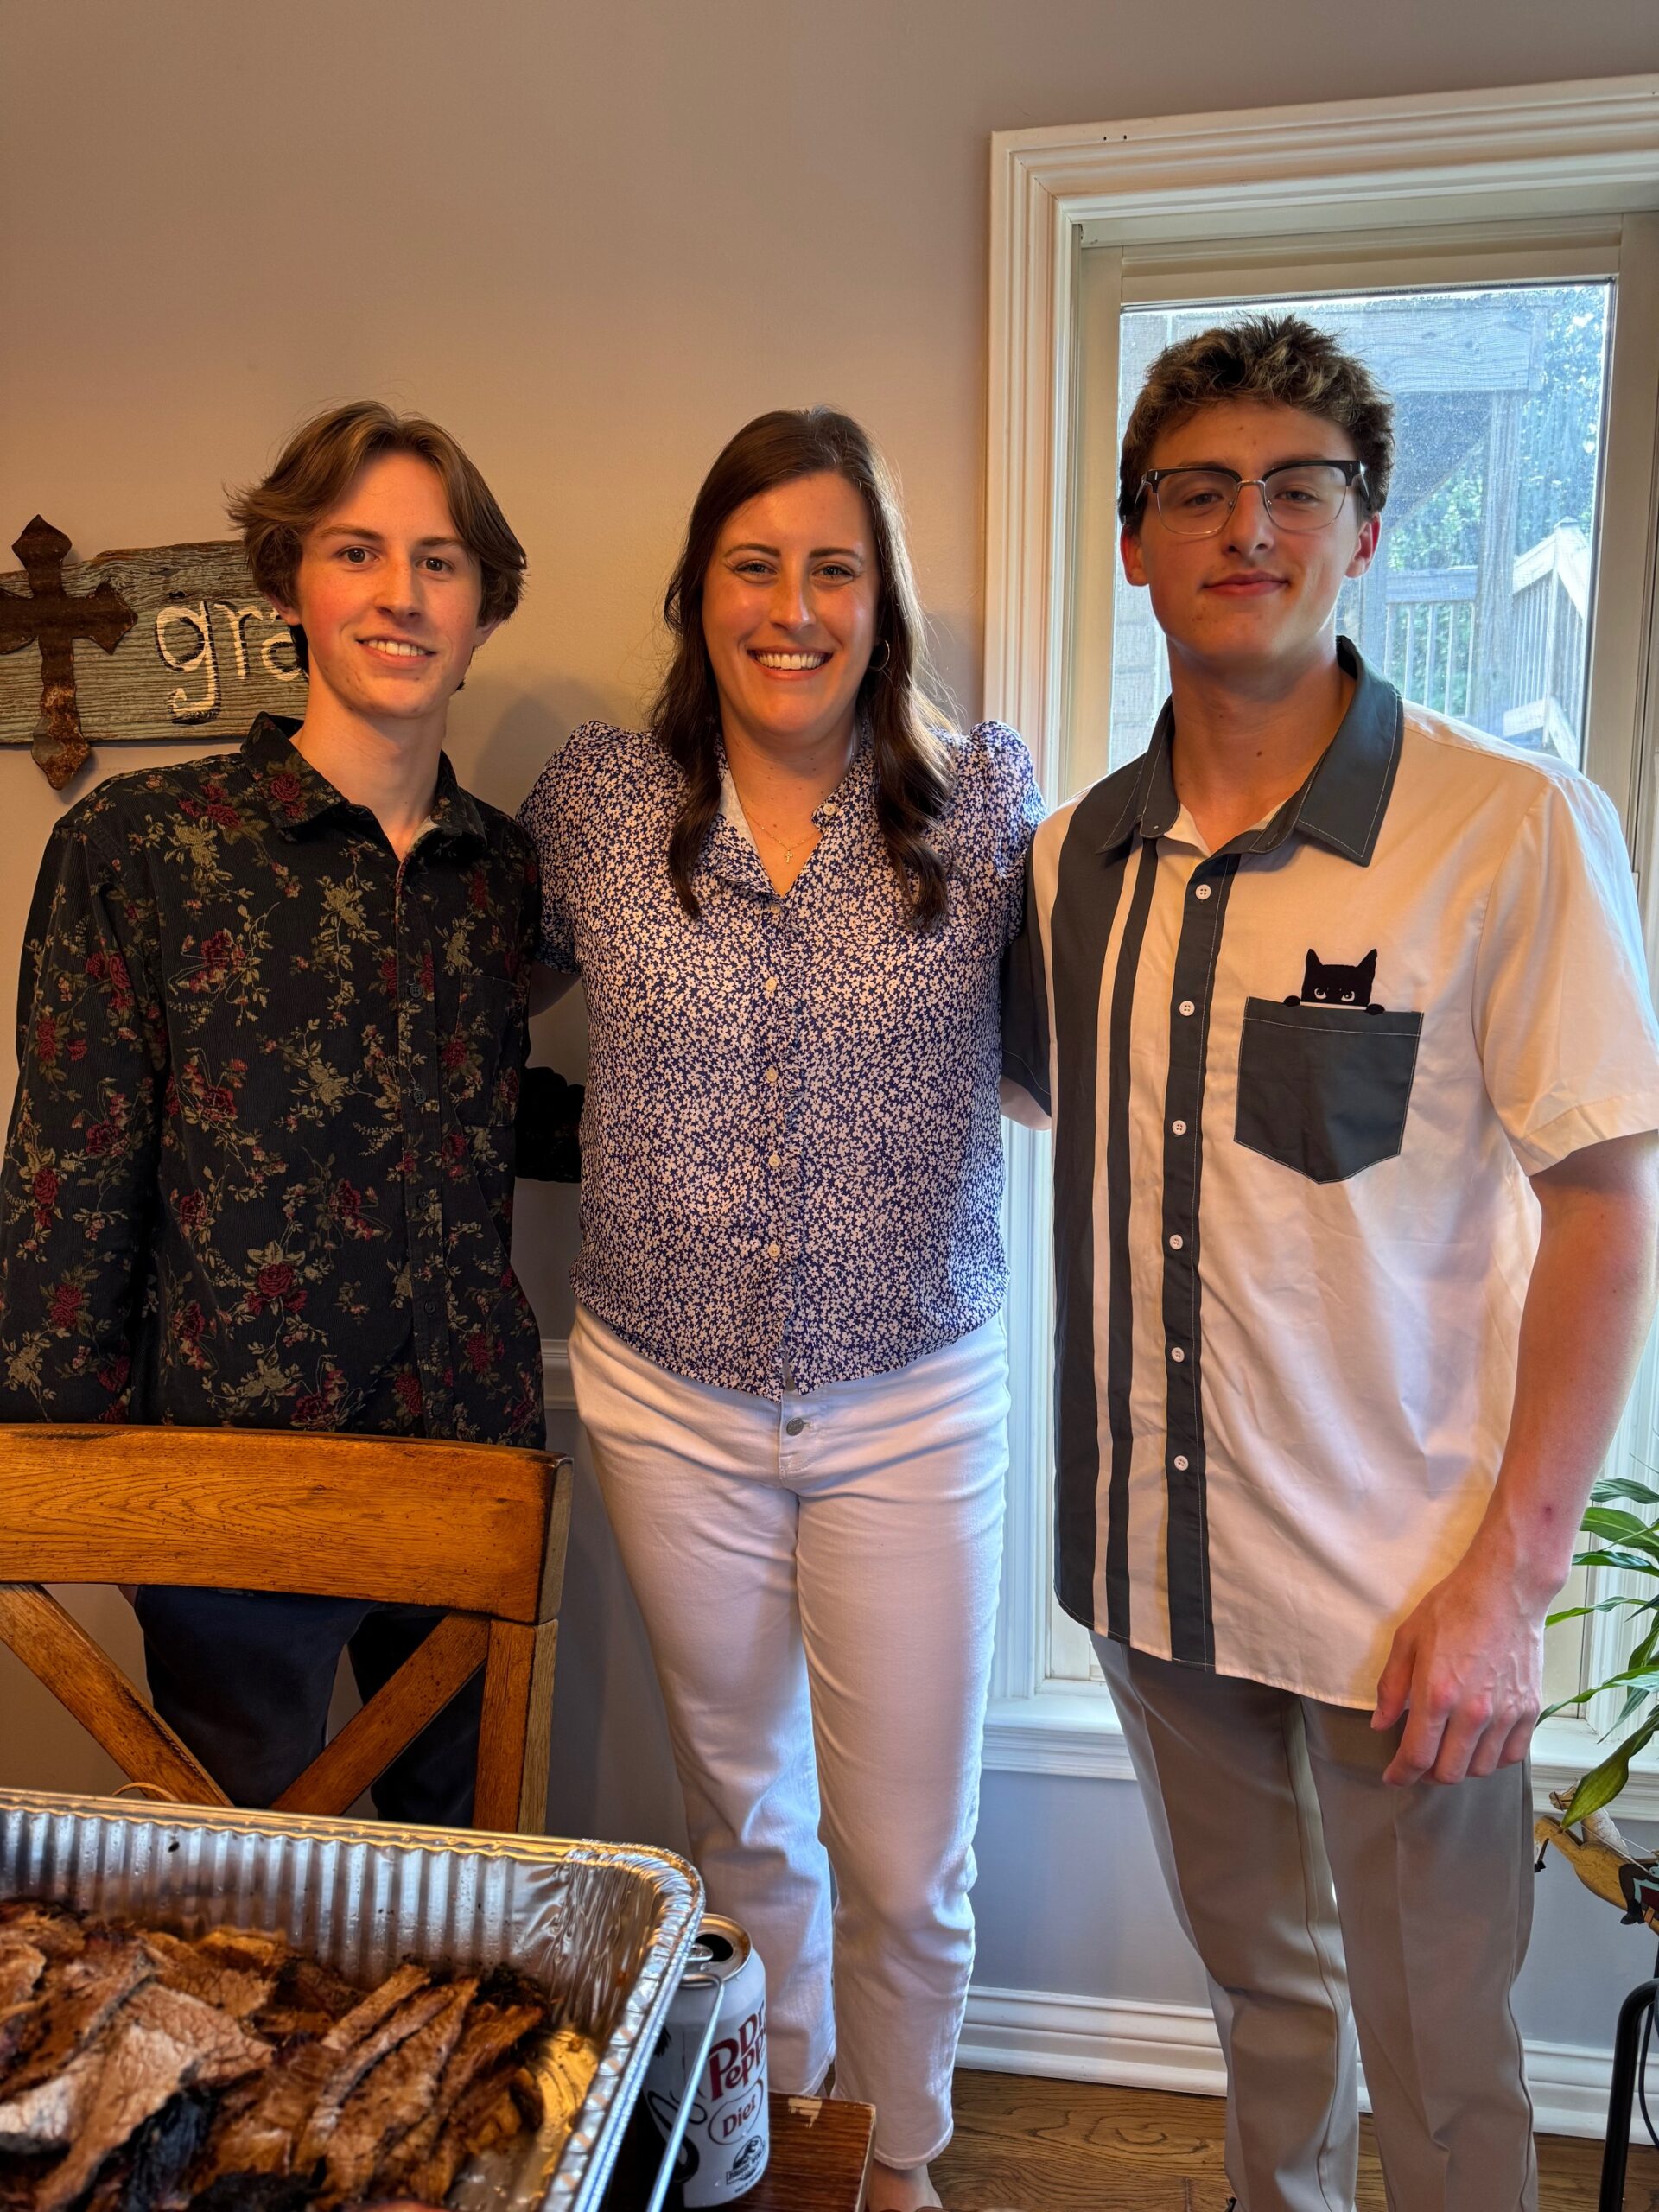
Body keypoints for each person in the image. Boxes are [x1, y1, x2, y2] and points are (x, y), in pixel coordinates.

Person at [1002, 315, 1659, 2212]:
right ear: (1135, 543)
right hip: (1155, 1570)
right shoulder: (1069, 864)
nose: (1250, 524)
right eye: (1199, 489)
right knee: (1263, 2009)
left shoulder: (1508, 828)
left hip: (1412, 1605)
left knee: (1451, 2057)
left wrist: (1511, 1583)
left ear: (1366, 530)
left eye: (1300, 486)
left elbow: (1612, 1206)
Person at [518, 407, 1040, 2212]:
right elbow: (456, 997)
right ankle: (780, 2139)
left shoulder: (981, 804)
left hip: (913, 1384)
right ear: (699, 589)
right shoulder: (599, 802)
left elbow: (1069, 1057)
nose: (795, 605)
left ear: (881, 599)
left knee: (910, 1857)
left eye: (834, 565)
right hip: (666, 1390)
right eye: (757, 564)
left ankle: (899, 2163)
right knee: (744, 1820)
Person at [0, 401, 544, 1824]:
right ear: (289, 582)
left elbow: (483, 1113)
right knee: (244, 1909)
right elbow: (67, 1179)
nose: (399, 594)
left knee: (464, 1891)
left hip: (469, 1461)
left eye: (439, 561)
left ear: (482, 607)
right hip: (229, 1477)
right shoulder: (143, 846)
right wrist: (75, 1481)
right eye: (357, 552)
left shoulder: (508, 877)